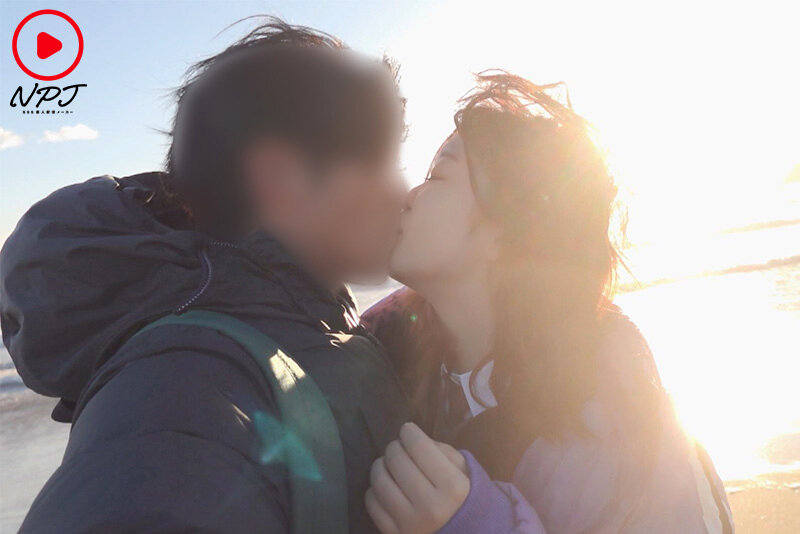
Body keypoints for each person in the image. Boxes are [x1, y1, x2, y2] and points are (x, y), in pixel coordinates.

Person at [0, 18, 410, 533]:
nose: (404, 192)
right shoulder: (179, 396)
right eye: (381, 163)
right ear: (280, 176)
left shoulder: (306, 327)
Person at [362, 72, 735, 533]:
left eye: (437, 176)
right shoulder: (383, 352)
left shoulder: (615, 418)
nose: (407, 196)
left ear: (502, 232)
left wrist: (481, 525)